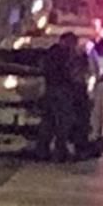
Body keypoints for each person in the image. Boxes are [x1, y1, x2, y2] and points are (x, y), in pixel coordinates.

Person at [38, 33, 88, 162]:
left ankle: (43, 150)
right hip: (62, 92)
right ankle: (59, 152)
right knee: (63, 123)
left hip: (50, 91)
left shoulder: (50, 54)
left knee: (49, 122)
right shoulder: (66, 55)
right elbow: (72, 74)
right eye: (73, 43)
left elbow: (43, 69)